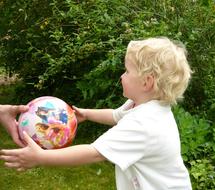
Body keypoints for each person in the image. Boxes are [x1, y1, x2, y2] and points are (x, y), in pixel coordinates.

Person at [0, 37, 192, 189]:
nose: (121, 76)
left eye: (126, 71)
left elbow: (94, 153)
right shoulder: (140, 105)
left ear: (146, 82)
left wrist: (41, 157)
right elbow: (115, 116)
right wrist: (86, 114)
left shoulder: (145, 124)